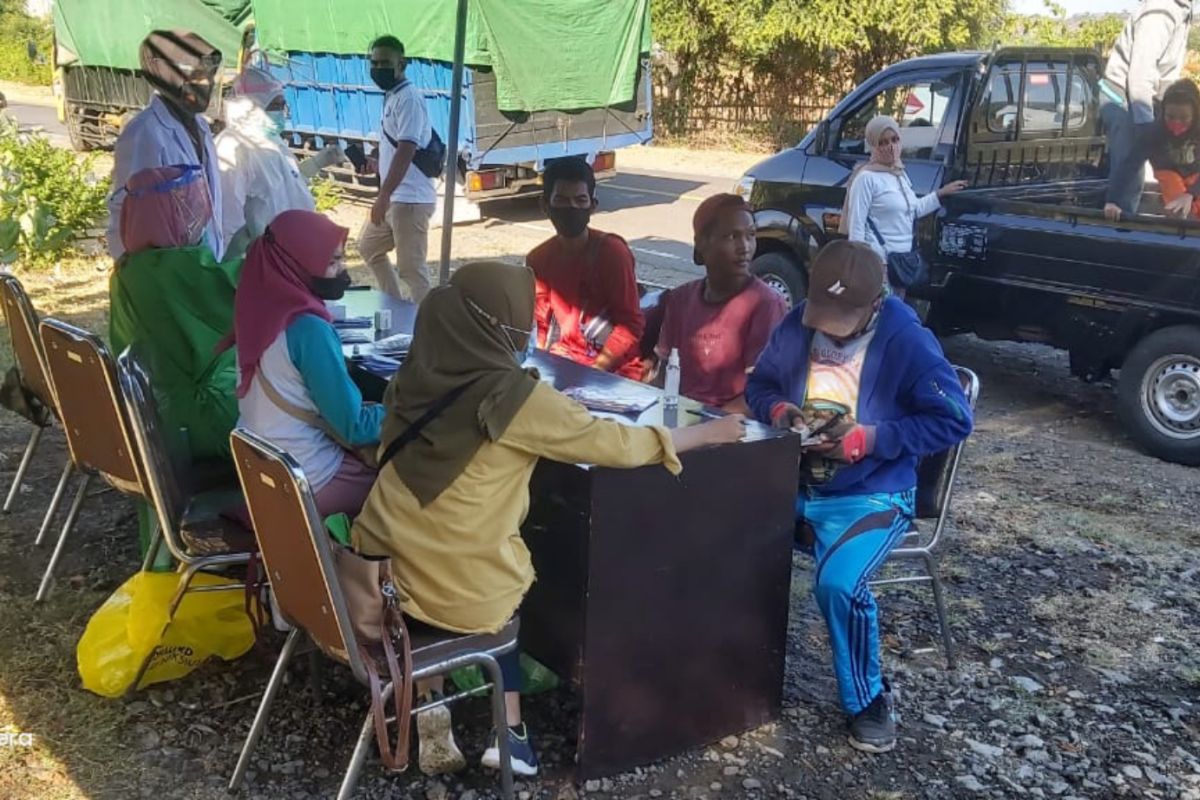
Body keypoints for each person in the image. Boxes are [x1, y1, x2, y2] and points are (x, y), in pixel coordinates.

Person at [351, 260, 745, 777]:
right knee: (498, 585)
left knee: (440, 549)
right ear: (502, 327)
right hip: (452, 583)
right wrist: (705, 435)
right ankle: (508, 733)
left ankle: (429, 699)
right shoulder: (518, 398)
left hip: (378, 562)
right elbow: (615, 444)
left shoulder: (415, 371)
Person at [745, 240, 973, 754]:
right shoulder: (798, 322)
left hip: (873, 496)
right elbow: (759, 385)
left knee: (838, 584)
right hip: (792, 483)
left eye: (842, 317)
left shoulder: (906, 338)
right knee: (713, 533)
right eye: (823, 312)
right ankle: (729, 676)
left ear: (877, 301)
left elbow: (954, 419)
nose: (827, 327)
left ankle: (869, 701)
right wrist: (782, 411)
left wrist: (870, 439)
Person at [109, 165, 241, 565]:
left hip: (157, 416)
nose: (198, 215)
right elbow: (243, 291)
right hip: (197, 423)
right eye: (188, 206)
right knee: (301, 422)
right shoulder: (178, 268)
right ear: (170, 213)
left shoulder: (130, 269)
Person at [231, 210, 383, 519]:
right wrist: (409, 409)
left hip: (262, 470)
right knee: (405, 487)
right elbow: (354, 427)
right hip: (305, 480)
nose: (344, 272)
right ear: (298, 264)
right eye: (332, 263)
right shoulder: (308, 328)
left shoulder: (259, 307)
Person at [651, 193, 787, 412]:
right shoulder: (680, 299)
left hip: (732, 427)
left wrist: (703, 425)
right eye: (732, 237)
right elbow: (664, 374)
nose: (745, 247)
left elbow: (759, 393)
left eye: (750, 235)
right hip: (680, 418)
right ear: (702, 243)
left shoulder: (766, 305)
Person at [108, 30, 225, 261]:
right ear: (170, 76)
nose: (208, 84)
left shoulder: (200, 127)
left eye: (210, 75)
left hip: (201, 265)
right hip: (163, 273)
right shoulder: (145, 132)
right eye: (199, 76)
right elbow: (127, 212)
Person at [527, 158, 644, 379]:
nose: (571, 208)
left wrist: (595, 370)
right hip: (562, 364)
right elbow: (541, 323)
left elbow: (631, 324)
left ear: (592, 206)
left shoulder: (612, 253)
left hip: (614, 372)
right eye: (561, 200)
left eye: (580, 200)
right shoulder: (538, 259)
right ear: (545, 205)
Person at [216, 66, 344, 258]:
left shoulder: (271, 140)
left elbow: (288, 182)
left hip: (292, 249)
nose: (280, 112)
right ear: (248, 108)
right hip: (263, 257)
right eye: (273, 106)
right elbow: (229, 218)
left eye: (282, 105)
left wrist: (317, 163)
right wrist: (240, 259)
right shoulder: (232, 148)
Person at [842, 116, 966, 295]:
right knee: (880, 318)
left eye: (895, 140)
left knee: (893, 316)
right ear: (873, 145)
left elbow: (913, 210)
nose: (891, 147)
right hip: (880, 266)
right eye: (883, 142)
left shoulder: (899, 174)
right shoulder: (866, 178)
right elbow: (856, 228)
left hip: (901, 264)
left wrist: (941, 193)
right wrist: (865, 268)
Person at [357, 35, 438, 302]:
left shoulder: (409, 99)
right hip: (396, 197)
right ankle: (394, 305)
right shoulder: (393, 96)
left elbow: (406, 149)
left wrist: (383, 195)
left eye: (385, 63)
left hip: (410, 198)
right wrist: (376, 162)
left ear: (401, 63)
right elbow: (394, 145)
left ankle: (427, 325)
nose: (378, 69)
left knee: (412, 270)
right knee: (369, 247)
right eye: (374, 63)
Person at [1100, 0, 1194, 221]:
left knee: (1172, 166)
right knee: (1131, 172)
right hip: (1126, 98)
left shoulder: (1181, 9)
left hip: (1151, 98)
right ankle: (1121, 237)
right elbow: (1139, 77)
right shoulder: (1160, 13)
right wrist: (1148, 132)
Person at [1148, 78, 1200, 219]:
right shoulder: (1154, 131)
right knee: (1179, 209)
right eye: (1170, 117)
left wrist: (1191, 192)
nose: (1176, 124)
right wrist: (1114, 200)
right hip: (1168, 170)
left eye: (1184, 118)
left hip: (1196, 172)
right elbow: (1130, 162)